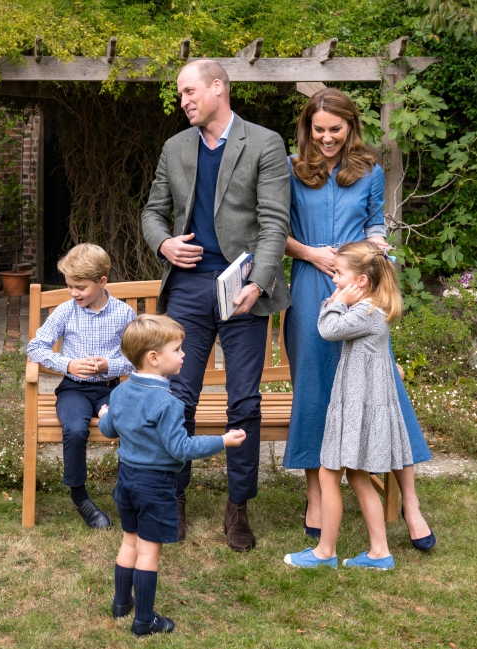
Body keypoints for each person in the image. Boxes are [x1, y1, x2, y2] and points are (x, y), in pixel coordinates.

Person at [142, 59, 291, 551]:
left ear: (218, 88)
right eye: (181, 94)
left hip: (243, 289)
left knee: (243, 401)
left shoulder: (264, 143)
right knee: (177, 399)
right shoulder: (174, 147)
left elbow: (273, 224)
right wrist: (164, 244)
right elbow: (151, 212)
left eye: (189, 91)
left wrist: (261, 282)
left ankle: (238, 507)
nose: (183, 101)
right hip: (187, 288)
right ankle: (174, 499)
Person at [282, 88, 435, 551]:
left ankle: (409, 502)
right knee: (315, 385)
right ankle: (315, 494)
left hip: (360, 287)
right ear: (308, 127)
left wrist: (375, 245)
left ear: (351, 127)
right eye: (319, 129)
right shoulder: (290, 169)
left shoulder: (368, 170)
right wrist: (312, 253)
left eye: (336, 129)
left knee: (383, 385)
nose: (327, 138)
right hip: (311, 285)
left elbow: (375, 222)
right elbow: (276, 230)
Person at [98, 314, 245, 636]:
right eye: (177, 349)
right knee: (148, 552)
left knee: (129, 541)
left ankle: (121, 604)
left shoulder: (121, 392)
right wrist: (222, 440)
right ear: (154, 358)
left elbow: (109, 429)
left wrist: (103, 413)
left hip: (126, 480)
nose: (183, 355)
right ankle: (144, 621)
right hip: (155, 485)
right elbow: (180, 448)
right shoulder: (168, 403)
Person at [284, 241, 411, 570]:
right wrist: (341, 295)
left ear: (362, 282)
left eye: (340, 274)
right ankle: (379, 552)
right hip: (359, 403)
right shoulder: (371, 309)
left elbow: (326, 329)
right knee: (357, 476)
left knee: (328, 474)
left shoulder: (365, 312)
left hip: (357, 408)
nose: (335, 280)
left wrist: (337, 299)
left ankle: (325, 552)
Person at [26, 243, 136, 528]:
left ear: (102, 281)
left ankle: (124, 491)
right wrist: (67, 364)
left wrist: (108, 365)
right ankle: (80, 497)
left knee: (128, 424)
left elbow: (136, 358)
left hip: (112, 389)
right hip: (74, 389)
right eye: (69, 286)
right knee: (74, 429)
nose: (74, 293)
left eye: (80, 287)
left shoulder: (123, 314)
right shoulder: (65, 311)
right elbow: (35, 348)